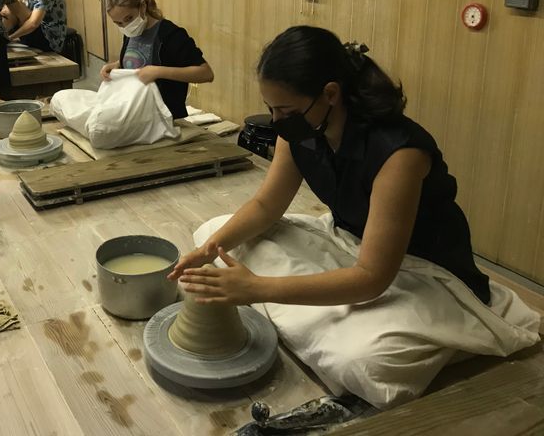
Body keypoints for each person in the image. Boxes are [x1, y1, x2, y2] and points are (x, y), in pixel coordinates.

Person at [169, 25, 491, 306]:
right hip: (352, 241)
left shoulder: (399, 154)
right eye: (271, 108)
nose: (277, 120)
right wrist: (209, 251)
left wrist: (258, 289)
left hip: (423, 269)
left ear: (331, 94)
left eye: (286, 109)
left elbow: (372, 278)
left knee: (360, 357)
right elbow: (267, 205)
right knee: (218, 233)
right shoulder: (301, 128)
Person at [100, 0, 214, 120]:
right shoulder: (130, 33)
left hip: (167, 121)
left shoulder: (170, 34)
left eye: (129, 18)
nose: (125, 26)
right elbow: (139, 58)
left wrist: (158, 71)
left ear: (142, 6)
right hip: (135, 116)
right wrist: (116, 65)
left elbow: (206, 73)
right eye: (118, 23)